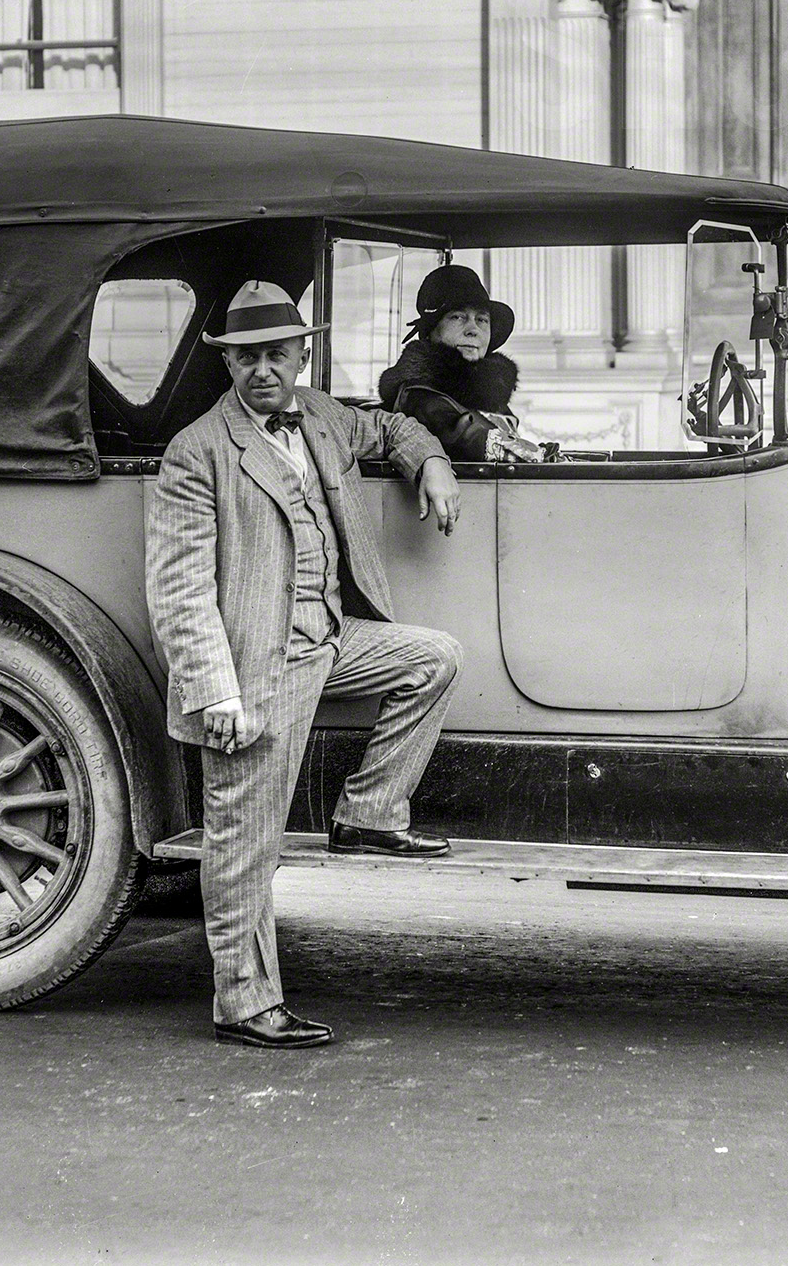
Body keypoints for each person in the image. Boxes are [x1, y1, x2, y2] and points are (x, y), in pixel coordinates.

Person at [145, 279, 466, 1050]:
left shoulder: (319, 413)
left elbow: (391, 424)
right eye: (247, 356)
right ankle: (245, 1001)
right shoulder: (198, 450)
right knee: (246, 837)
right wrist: (215, 690)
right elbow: (179, 585)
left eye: (276, 354)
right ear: (229, 364)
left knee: (434, 658)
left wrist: (433, 462)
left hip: (331, 638)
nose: (263, 369)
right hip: (258, 664)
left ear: (302, 354)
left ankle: (368, 814)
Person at [376, 263, 541, 463]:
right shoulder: (418, 393)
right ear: (431, 330)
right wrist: (535, 455)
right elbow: (465, 436)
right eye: (458, 317)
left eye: (482, 319)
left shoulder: (486, 393)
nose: (473, 329)